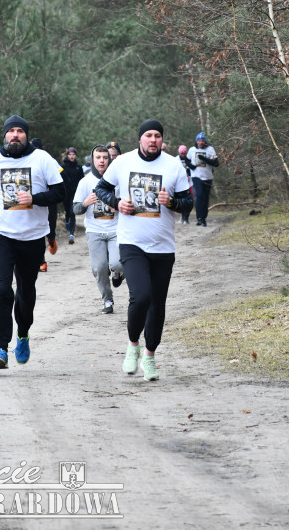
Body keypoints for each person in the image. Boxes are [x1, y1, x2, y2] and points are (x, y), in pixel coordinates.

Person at [95, 118, 193, 381]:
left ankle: (149, 356)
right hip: (131, 243)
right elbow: (101, 188)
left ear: (162, 140)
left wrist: (171, 201)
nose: (153, 140)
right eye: (148, 135)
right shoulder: (123, 162)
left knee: (157, 303)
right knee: (141, 296)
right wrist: (117, 203)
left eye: (157, 136)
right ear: (140, 138)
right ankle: (132, 346)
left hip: (163, 247)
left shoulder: (174, 165)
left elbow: (188, 203)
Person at [0, 115, 65, 369]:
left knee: (26, 291)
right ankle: (1, 347)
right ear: (4, 136)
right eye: (11, 131)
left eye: (19, 131)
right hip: (1, 232)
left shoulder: (42, 159)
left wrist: (34, 199)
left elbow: (59, 192)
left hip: (32, 235)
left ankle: (23, 333)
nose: (15, 135)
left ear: (26, 135)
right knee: (2, 288)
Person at [73, 144, 124, 315]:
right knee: (99, 268)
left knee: (117, 263)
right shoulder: (85, 181)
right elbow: (75, 209)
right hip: (95, 231)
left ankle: (118, 273)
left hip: (116, 229)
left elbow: (129, 202)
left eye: (105, 157)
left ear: (109, 159)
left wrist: (119, 206)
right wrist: (85, 203)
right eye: (98, 158)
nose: (102, 161)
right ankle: (107, 299)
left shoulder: (118, 178)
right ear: (92, 159)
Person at [30, 137, 59, 272]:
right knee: (39, 229)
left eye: (34, 146)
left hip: (49, 199)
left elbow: (61, 178)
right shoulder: (25, 160)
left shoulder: (48, 160)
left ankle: (52, 239)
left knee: (50, 226)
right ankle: (41, 261)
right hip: (32, 201)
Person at [185, 131, 219, 227]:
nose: (201, 142)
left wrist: (204, 159)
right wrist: (191, 167)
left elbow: (216, 163)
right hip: (196, 176)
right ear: (196, 141)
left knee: (205, 198)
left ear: (205, 142)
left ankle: (203, 218)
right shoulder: (192, 150)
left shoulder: (210, 149)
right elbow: (187, 160)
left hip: (207, 177)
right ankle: (199, 218)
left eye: (202, 141)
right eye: (199, 141)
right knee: (199, 195)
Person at [61, 147, 84, 243]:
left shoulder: (79, 167)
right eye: (70, 154)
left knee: (72, 212)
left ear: (76, 155)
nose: (72, 156)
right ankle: (67, 221)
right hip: (65, 193)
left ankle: (71, 234)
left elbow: (82, 180)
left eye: (73, 154)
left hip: (75, 193)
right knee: (67, 212)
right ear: (67, 155)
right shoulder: (62, 167)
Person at [177, 145, 193, 224]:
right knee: (182, 201)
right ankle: (182, 216)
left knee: (189, 200)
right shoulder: (175, 160)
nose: (183, 154)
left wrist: (189, 176)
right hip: (180, 184)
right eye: (181, 153)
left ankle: (186, 218)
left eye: (184, 153)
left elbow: (192, 169)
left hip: (189, 184)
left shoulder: (189, 160)